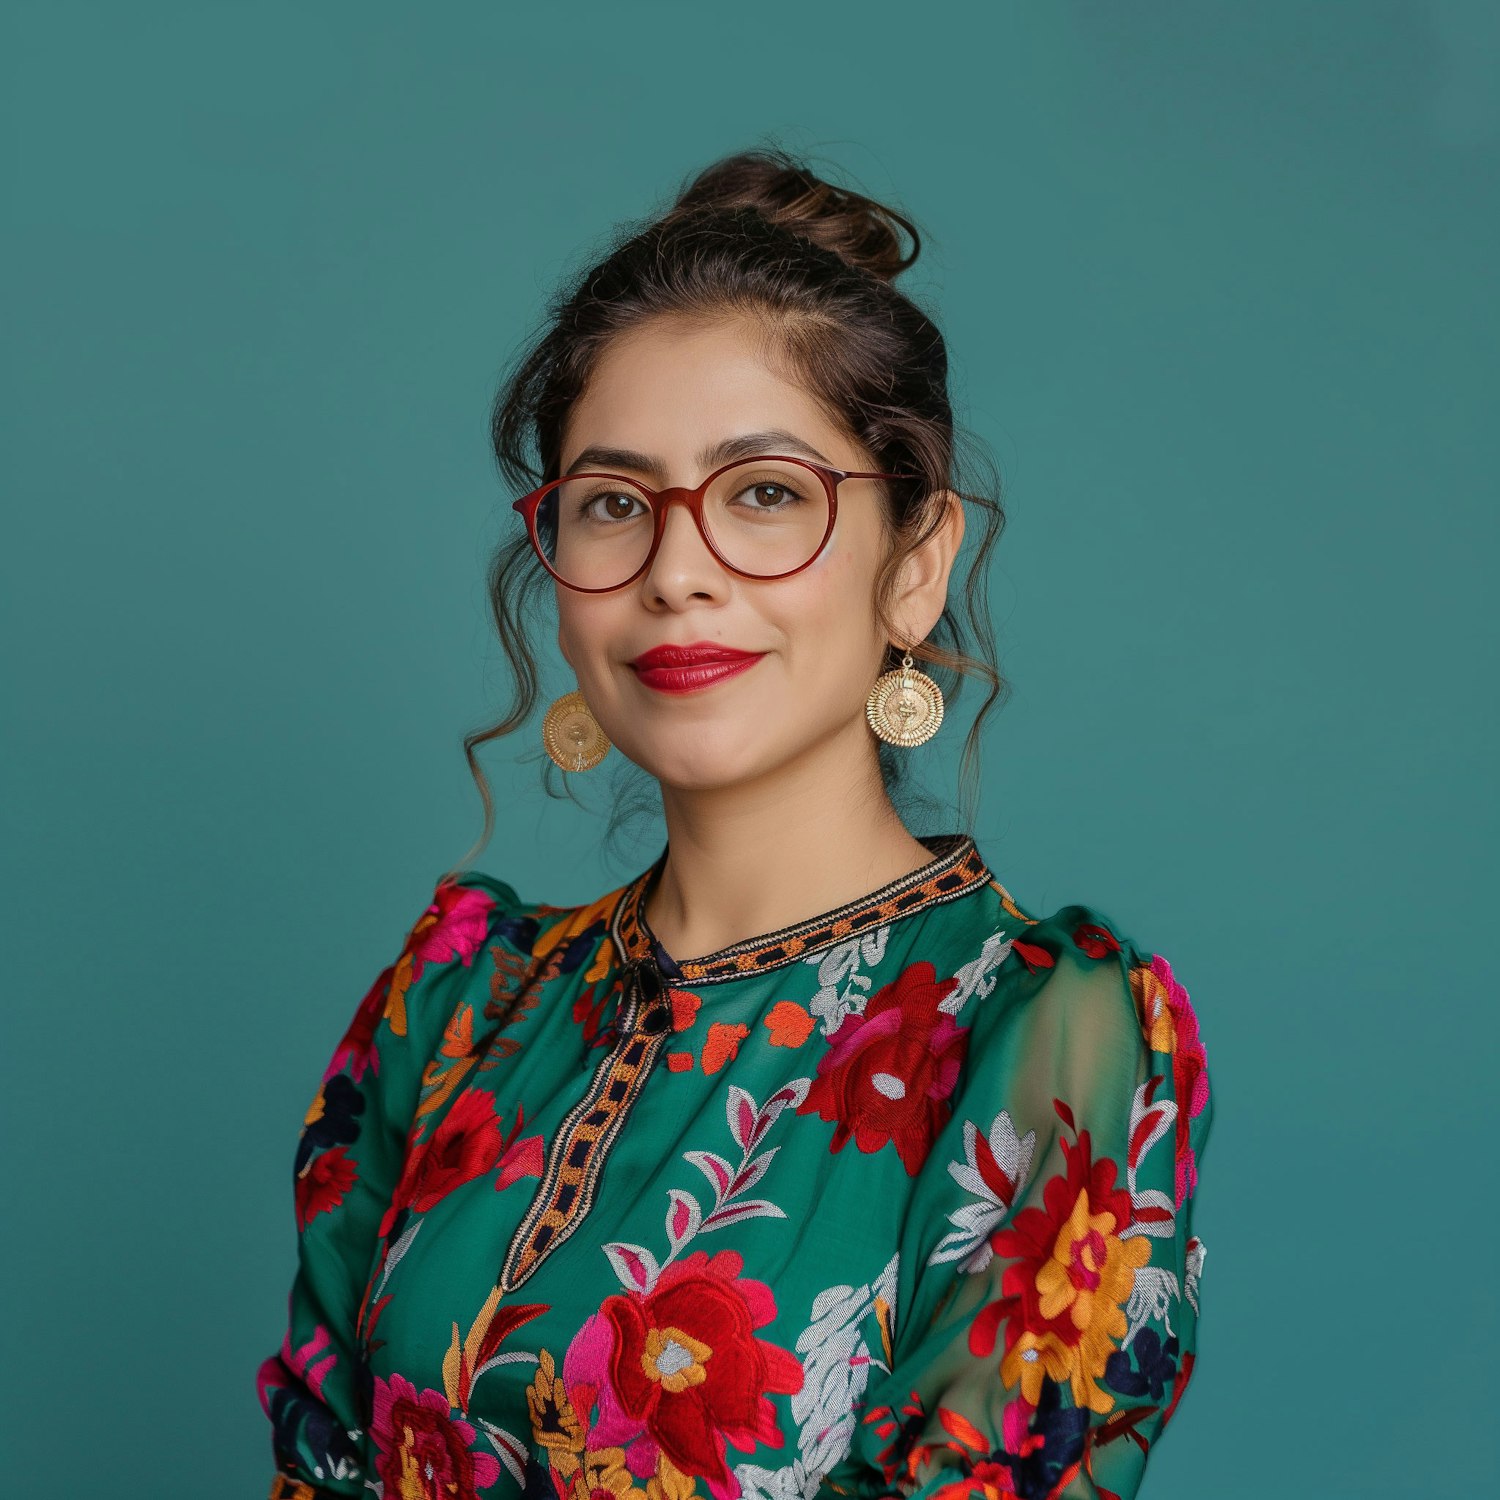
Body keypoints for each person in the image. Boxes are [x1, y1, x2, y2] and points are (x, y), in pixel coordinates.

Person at [257, 146, 1213, 1500]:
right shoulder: (453, 1005)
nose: (678, 570)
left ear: (916, 566)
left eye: (766, 493)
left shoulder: (1042, 1029)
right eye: (612, 506)